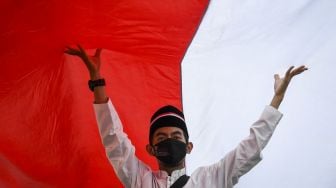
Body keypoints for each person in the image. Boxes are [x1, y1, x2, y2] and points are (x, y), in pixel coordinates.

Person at [65, 45, 308, 188]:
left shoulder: (210, 179)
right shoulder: (140, 180)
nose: (169, 140)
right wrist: (97, 81)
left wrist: (276, 99)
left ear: (189, 146)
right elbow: (114, 141)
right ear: (150, 149)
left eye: (175, 135)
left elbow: (250, 148)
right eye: (161, 137)